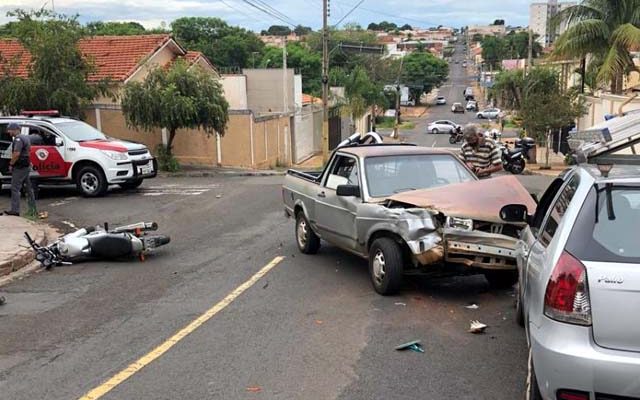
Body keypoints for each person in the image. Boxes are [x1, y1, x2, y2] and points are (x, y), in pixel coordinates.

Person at [3, 123, 37, 216]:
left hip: (20, 167)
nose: (8, 132)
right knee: (29, 188)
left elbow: (17, 153)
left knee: (15, 188)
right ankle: (33, 208)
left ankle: (15, 210)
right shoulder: (25, 137)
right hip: (25, 166)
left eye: (9, 130)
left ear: (14, 129)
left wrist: (11, 163)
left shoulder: (18, 139)